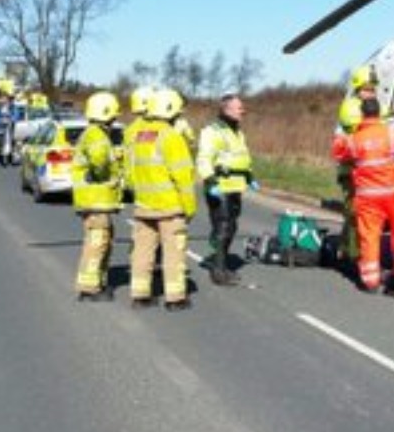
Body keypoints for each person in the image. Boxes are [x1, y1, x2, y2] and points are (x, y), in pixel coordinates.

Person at [332, 97, 394, 293]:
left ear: (362, 115)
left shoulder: (355, 139)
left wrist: (341, 130)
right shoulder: (390, 133)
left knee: (369, 237)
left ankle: (371, 281)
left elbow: (338, 152)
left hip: (368, 198)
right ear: (379, 113)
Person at [125, 87, 197, 311]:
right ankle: (175, 298)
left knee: (142, 252)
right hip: (169, 207)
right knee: (173, 252)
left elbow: (129, 173)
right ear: (170, 110)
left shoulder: (138, 135)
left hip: (143, 206)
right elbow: (183, 177)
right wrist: (190, 208)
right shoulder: (171, 136)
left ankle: (140, 295)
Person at [196, 93, 256, 286]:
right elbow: (204, 158)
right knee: (223, 227)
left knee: (232, 226)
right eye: (239, 108)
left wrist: (249, 176)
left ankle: (221, 262)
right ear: (226, 109)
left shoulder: (237, 132)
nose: (243, 111)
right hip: (220, 186)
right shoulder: (213, 131)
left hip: (235, 187)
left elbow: (242, 157)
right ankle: (219, 271)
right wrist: (210, 181)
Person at [72, 91, 124, 302]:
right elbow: (100, 163)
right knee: (97, 243)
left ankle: (96, 282)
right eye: (113, 115)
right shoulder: (96, 135)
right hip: (96, 201)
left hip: (96, 201)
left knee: (103, 241)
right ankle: (90, 287)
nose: (115, 119)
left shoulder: (94, 133)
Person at [333, 64, 380, 263]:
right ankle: (353, 255)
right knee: (354, 211)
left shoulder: (370, 105)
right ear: (358, 88)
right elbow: (362, 130)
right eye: (367, 89)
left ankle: (345, 250)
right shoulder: (350, 108)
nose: (370, 93)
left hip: (365, 169)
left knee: (360, 212)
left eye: (372, 89)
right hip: (351, 168)